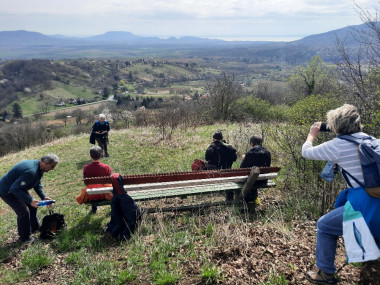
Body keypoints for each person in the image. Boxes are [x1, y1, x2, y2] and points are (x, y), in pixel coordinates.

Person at [302, 104, 380, 284]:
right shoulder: (372, 140)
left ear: (335, 126)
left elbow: (306, 152)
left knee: (325, 225)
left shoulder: (338, 145)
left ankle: (325, 274)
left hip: (365, 204)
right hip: (377, 200)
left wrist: (312, 135)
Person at [0, 154, 59, 243]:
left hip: (18, 187)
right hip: (7, 191)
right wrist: (30, 200)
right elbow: (14, 189)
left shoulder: (40, 168)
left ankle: (35, 228)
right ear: (46, 163)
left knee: (32, 206)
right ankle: (24, 237)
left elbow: (37, 183)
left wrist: (43, 196)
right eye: (52, 166)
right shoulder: (31, 171)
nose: (52, 169)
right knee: (23, 212)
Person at [83, 146, 112, 214]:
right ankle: (113, 207)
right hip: (105, 193)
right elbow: (110, 181)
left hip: (92, 194)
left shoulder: (86, 168)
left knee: (92, 188)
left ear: (90, 156)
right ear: (101, 155)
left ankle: (94, 209)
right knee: (109, 188)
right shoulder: (106, 167)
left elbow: (86, 182)